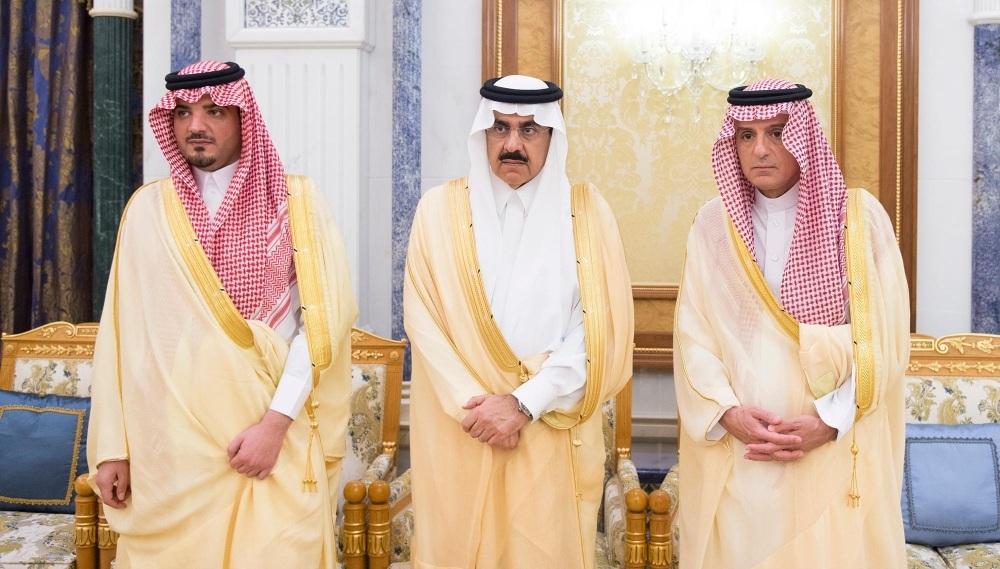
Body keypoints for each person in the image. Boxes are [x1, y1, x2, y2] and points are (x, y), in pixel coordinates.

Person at [87, 60, 357, 567]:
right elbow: (122, 338)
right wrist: (111, 448)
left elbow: (322, 326)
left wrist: (274, 425)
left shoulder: (295, 202)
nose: (196, 125)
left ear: (242, 117)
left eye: (214, 111)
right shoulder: (147, 210)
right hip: (172, 448)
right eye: (183, 113)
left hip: (270, 437)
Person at [673, 78, 910, 568]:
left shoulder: (858, 219)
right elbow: (694, 335)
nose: (760, 149)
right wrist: (727, 414)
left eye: (778, 133)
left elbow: (884, 339)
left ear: (804, 137)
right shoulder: (713, 225)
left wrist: (828, 422)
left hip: (831, 451)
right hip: (744, 458)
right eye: (746, 135)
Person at [403, 75, 634, 568]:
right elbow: (422, 322)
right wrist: (479, 413)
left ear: (552, 136)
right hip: (460, 433)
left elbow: (599, 329)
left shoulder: (587, 214)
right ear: (482, 133)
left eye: (529, 129)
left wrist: (523, 404)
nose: (512, 144)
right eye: (500, 128)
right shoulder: (437, 210)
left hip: (548, 430)